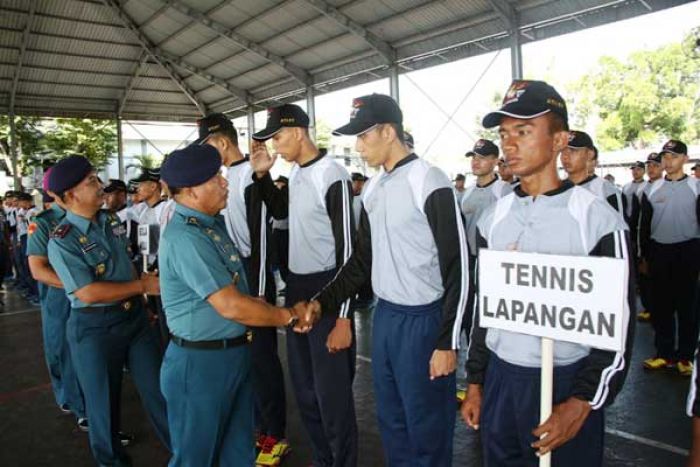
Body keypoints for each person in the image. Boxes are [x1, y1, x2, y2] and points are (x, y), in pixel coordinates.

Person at [462, 80, 634, 466]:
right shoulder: (493, 219)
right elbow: (481, 310)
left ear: (560, 140)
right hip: (503, 379)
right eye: (505, 134)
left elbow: (619, 329)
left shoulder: (598, 221)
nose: (509, 144)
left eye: (523, 132)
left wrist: (582, 401)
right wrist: (476, 382)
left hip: (566, 379)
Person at [302, 93, 469, 466]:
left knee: (427, 428)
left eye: (363, 137)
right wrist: (323, 300)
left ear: (389, 132)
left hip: (424, 322)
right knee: (392, 422)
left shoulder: (430, 180)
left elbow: (460, 266)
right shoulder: (374, 188)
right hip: (386, 317)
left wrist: (448, 341)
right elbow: (361, 261)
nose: (359, 147)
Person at [157, 144, 313, 467]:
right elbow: (231, 306)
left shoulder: (211, 225)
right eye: (215, 178)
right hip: (199, 366)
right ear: (190, 191)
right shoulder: (186, 237)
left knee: (237, 453)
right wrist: (288, 316)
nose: (224, 182)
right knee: (194, 459)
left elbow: (239, 294)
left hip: (231, 355)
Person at [250, 103, 358, 467]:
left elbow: (349, 252)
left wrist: (343, 317)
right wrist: (263, 177)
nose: (275, 146)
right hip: (296, 288)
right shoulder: (296, 174)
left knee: (332, 396)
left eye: (278, 137)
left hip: (327, 289)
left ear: (298, 132)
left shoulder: (333, 174)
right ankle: (324, 459)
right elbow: (281, 213)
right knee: (307, 391)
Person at [46, 155, 170, 466]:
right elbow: (87, 292)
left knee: (159, 392)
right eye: (91, 182)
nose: (100, 185)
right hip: (95, 328)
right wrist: (142, 287)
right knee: (103, 407)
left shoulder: (110, 220)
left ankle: (186, 452)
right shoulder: (63, 240)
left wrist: (141, 304)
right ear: (71, 195)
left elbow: (124, 265)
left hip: (135, 321)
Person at [195, 112, 289, 464]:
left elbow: (263, 238)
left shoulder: (252, 174)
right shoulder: (221, 178)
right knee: (244, 361)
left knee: (263, 361)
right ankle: (257, 427)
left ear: (221, 142)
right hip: (233, 275)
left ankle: (275, 434)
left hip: (255, 278)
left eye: (207, 147)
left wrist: (259, 290)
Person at [27, 171, 87, 431]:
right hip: (60, 294)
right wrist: (78, 285)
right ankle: (76, 403)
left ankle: (83, 401)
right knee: (61, 348)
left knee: (87, 350)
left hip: (92, 292)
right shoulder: (43, 222)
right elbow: (38, 269)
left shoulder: (94, 216)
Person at [639, 140, 700, 376]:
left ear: (685, 159)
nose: (668, 161)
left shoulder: (696, 187)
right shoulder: (651, 189)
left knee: (689, 307)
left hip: (689, 250)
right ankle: (663, 353)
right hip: (659, 252)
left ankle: (685, 356)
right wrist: (643, 256)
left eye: (673, 156)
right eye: (665, 156)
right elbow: (643, 227)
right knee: (661, 306)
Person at [461, 139, 512, 335]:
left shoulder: (504, 191)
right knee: (468, 314)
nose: (475, 161)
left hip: (494, 264)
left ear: (494, 161)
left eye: (482, 158)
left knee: (490, 315)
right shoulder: (467, 192)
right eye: (473, 157)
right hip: (470, 261)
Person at [560, 130, 625, 219]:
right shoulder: (555, 190)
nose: (565, 156)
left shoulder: (606, 190)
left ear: (590, 154)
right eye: (562, 151)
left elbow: (618, 228)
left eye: (573, 150)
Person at [635, 154, 664, 323]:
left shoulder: (667, 186)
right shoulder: (642, 190)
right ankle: (650, 309)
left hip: (666, 243)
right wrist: (640, 249)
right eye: (649, 165)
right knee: (646, 279)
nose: (651, 169)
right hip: (647, 242)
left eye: (655, 165)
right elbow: (639, 221)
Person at [622, 162, 647, 230]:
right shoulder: (626, 186)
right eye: (633, 169)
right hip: (628, 220)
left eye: (638, 169)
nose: (635, 171)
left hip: (643, 221)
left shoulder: (648, 186)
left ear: (644, 171)